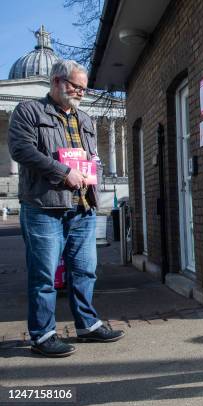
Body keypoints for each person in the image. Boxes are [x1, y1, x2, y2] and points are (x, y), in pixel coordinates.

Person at [8, 60, 125, 358]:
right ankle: (43, 334)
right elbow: (21, 150)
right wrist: (63, 172)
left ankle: (87, 325)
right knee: (44, 275)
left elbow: (92, 156)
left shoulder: (85, 119)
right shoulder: (29, 111)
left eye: (84, 89)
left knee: (85, 271)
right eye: (76, 86)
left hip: (82, 207)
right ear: (58, 81)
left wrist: (92, 171)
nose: (81, 93)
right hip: (44, 207)